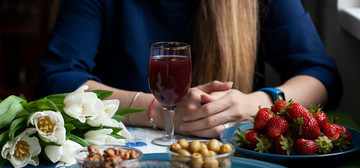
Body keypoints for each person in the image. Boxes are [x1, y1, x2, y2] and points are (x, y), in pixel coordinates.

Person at [35, 0, 342, 138]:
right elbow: (57, 79)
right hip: (120, 161)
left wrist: (256, 105)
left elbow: (320, 75)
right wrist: (158, 111)